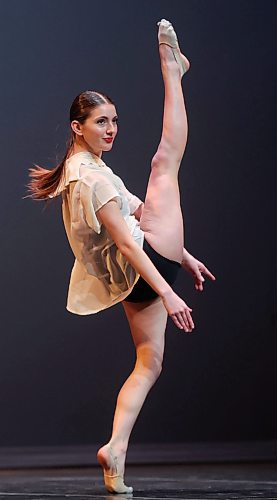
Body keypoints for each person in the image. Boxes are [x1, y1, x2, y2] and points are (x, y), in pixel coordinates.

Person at [28, 19, 215, 494]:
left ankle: (115, 452)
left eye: (113, 120)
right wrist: (169, 292)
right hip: (145, 262)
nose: (111, 129)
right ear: (78, 127)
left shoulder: (86, 168)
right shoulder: (89, 177)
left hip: (140, 269)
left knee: (148, 363)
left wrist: (184, 256)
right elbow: (132, 242)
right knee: (165, 160)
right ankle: (172, 69)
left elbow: (138, 213)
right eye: (101, 122)